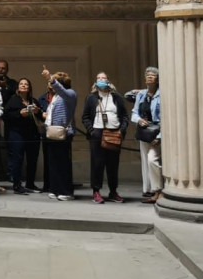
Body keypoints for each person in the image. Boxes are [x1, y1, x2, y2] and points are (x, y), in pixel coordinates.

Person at [83, 70, 129, 204]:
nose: (101, 80)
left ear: (108, 81)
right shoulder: (91, 98)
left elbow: (125, 116)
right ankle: (96, 192)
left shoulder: (116, 97)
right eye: (98, 78)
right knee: (97, 164)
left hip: (114, 133)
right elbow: (85, 117)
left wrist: (121, 130)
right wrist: (92, 131)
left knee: (113, 164)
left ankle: (113, 192)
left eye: (103, 78)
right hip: (97, 133)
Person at [41, 68, 77, 200]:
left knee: (63, 163)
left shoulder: (70, 94)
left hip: (64, 132)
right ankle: (55, 189)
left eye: (55, 81)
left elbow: (62, 91)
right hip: (52, 132)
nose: (51, 84)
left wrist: (50, 78)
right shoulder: (56, 96)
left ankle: (66, 191)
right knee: (53, 163)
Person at [128, 67, 162, 203]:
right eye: (148, 75)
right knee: (146, 163)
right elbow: (134, 112)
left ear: (157, 79)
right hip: (145, 133)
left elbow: (166, 118)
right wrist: (139, 120)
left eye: (153, 75)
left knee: (152, 160)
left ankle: (159, 191)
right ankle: (152, 191)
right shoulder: (141, 94)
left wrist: (159, 137)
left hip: (157, 133)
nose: (150, 77)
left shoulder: (161, 94)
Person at [5, 78, 44, 195]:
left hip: (33, 134)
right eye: (21, 84)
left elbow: (42, 117)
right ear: (18, 87)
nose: (23, 85)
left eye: (26, 84)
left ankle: (30, 183)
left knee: (32, 159)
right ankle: (17, 185)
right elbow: (6, 116)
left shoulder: (34, 101)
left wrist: (37, 112)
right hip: (17, 133)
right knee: (17, 159)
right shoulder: (13, 100)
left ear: (29, 87)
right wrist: (19, 114)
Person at [0, 60, 19, 187]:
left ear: (7, 69)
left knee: (10, 146)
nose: (0, 70)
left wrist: (5, 85)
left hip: (9, 119)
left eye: (3, 68)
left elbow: (16, 96)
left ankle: (12, 174)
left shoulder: (12, 83)